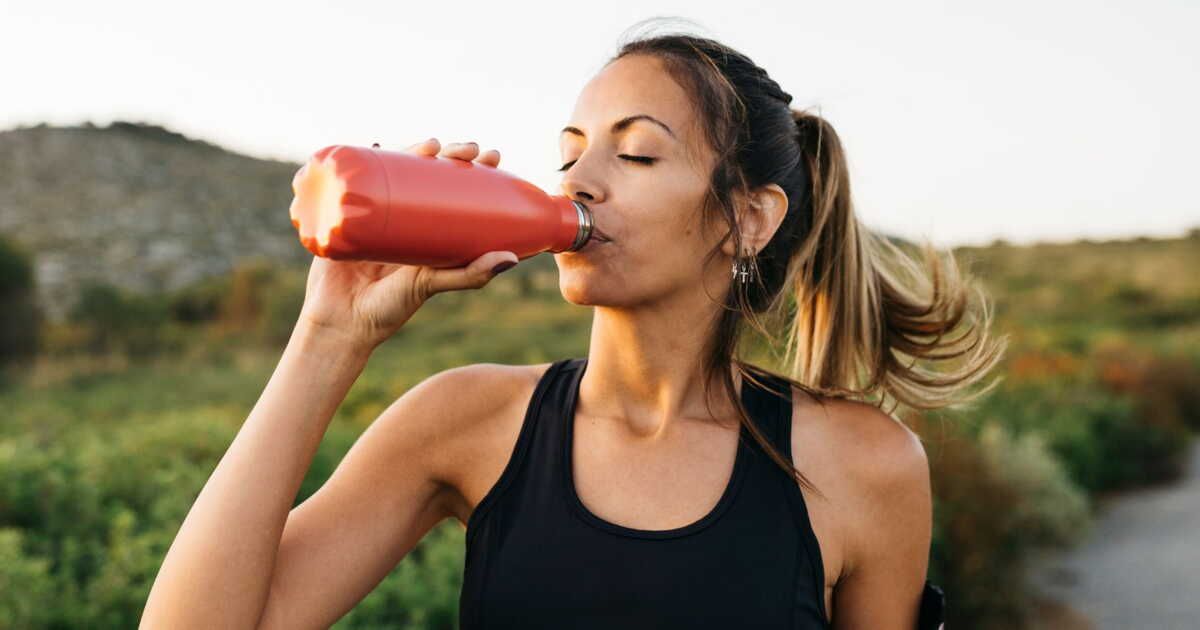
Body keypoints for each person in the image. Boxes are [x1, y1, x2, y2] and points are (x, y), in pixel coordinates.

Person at [142, 24, 1004, 630]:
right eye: (570, 151)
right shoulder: (466, 422)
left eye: (634, 154)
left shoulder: (864, 465)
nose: (578, 182)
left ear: (747, 217)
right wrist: (329, 335)